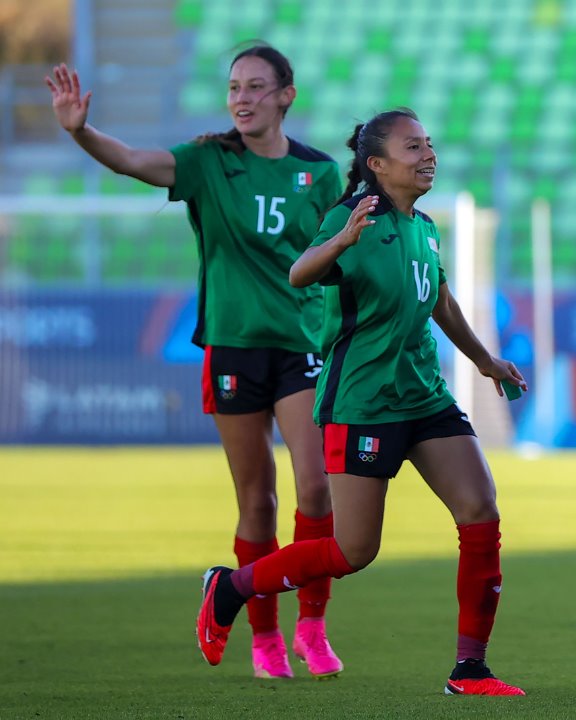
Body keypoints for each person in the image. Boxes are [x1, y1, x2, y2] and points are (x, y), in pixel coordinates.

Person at [195, 108, 528, 696]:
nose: (427, 154)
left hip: (423, 394)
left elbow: (441, 299)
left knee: (480, 509)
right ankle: (232, 587)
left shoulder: (424, 226)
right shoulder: (350, 217)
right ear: (377, 165)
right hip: (362, 403)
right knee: (353, 550)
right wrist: (342, 240)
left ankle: (470, 669)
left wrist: (483, 360)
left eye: (428, 144)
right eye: (412, 147)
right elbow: (300, 274)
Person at [47, 46, 346, 679]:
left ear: (286, 95)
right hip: (232, 347)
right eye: (234, 87)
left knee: (316, 486)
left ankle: (312, 626)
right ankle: (263, 637)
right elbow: (131, 161)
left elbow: (340, 259)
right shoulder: (208, 162)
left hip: (300, 344)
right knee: (257, 500)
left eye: (257, 87)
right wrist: (81, 132)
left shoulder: (319, 175)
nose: (242, 98)